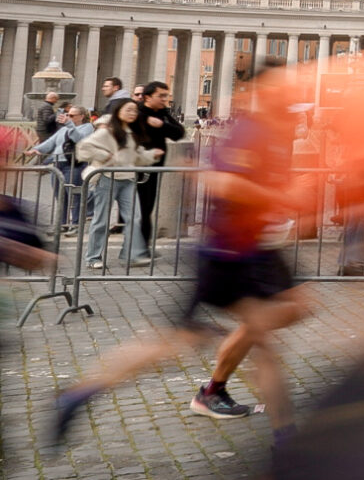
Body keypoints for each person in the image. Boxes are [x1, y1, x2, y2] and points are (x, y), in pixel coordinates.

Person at [54, 59, 315, 447]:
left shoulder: (274, 130)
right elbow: (223, 182)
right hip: (231, 252)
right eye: (280, 87)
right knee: (220, 336)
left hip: (254, 247)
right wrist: (283, 197)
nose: (288, 94)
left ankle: (269, 423)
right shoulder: (250, 130)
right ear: (260, 92)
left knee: (282, 315)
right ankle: (281, 435)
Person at [77, 99, 159, 269]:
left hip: (128, 179)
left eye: (134, 111)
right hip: (107, 178)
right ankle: (93, 257)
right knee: (101, 220)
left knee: (134, 218)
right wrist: (105, 156)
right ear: (118, 111)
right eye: (128, 110)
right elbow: (84, 148)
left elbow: (136, 156)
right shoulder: (107, 132)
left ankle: (131, 254)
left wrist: (152, 155)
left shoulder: (131, 132)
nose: (132, 113)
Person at [132, 80, 186, 249]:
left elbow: (179, 133)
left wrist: (162, 125)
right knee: (137, 209)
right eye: (161, 96)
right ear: (147, 97)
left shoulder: (162, 113)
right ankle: (135, 247)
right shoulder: (136, 112)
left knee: (147, 207)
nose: (164, 99)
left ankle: (143, 247)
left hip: (154, 167)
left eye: (166, 95)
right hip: (135, 166)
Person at [29, 104, 94, 231]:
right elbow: (52, 141)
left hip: (74, 164)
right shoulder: (64, 129)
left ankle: (76, 225)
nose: (68, 117)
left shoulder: (87, 127)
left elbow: (78, 139)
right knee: (60, 195)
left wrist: (70, 125)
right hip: (58, 163)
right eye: (68, 114)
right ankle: (62, 224)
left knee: (75, 196)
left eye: (72, 115)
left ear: (81, 116)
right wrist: (36, 149)